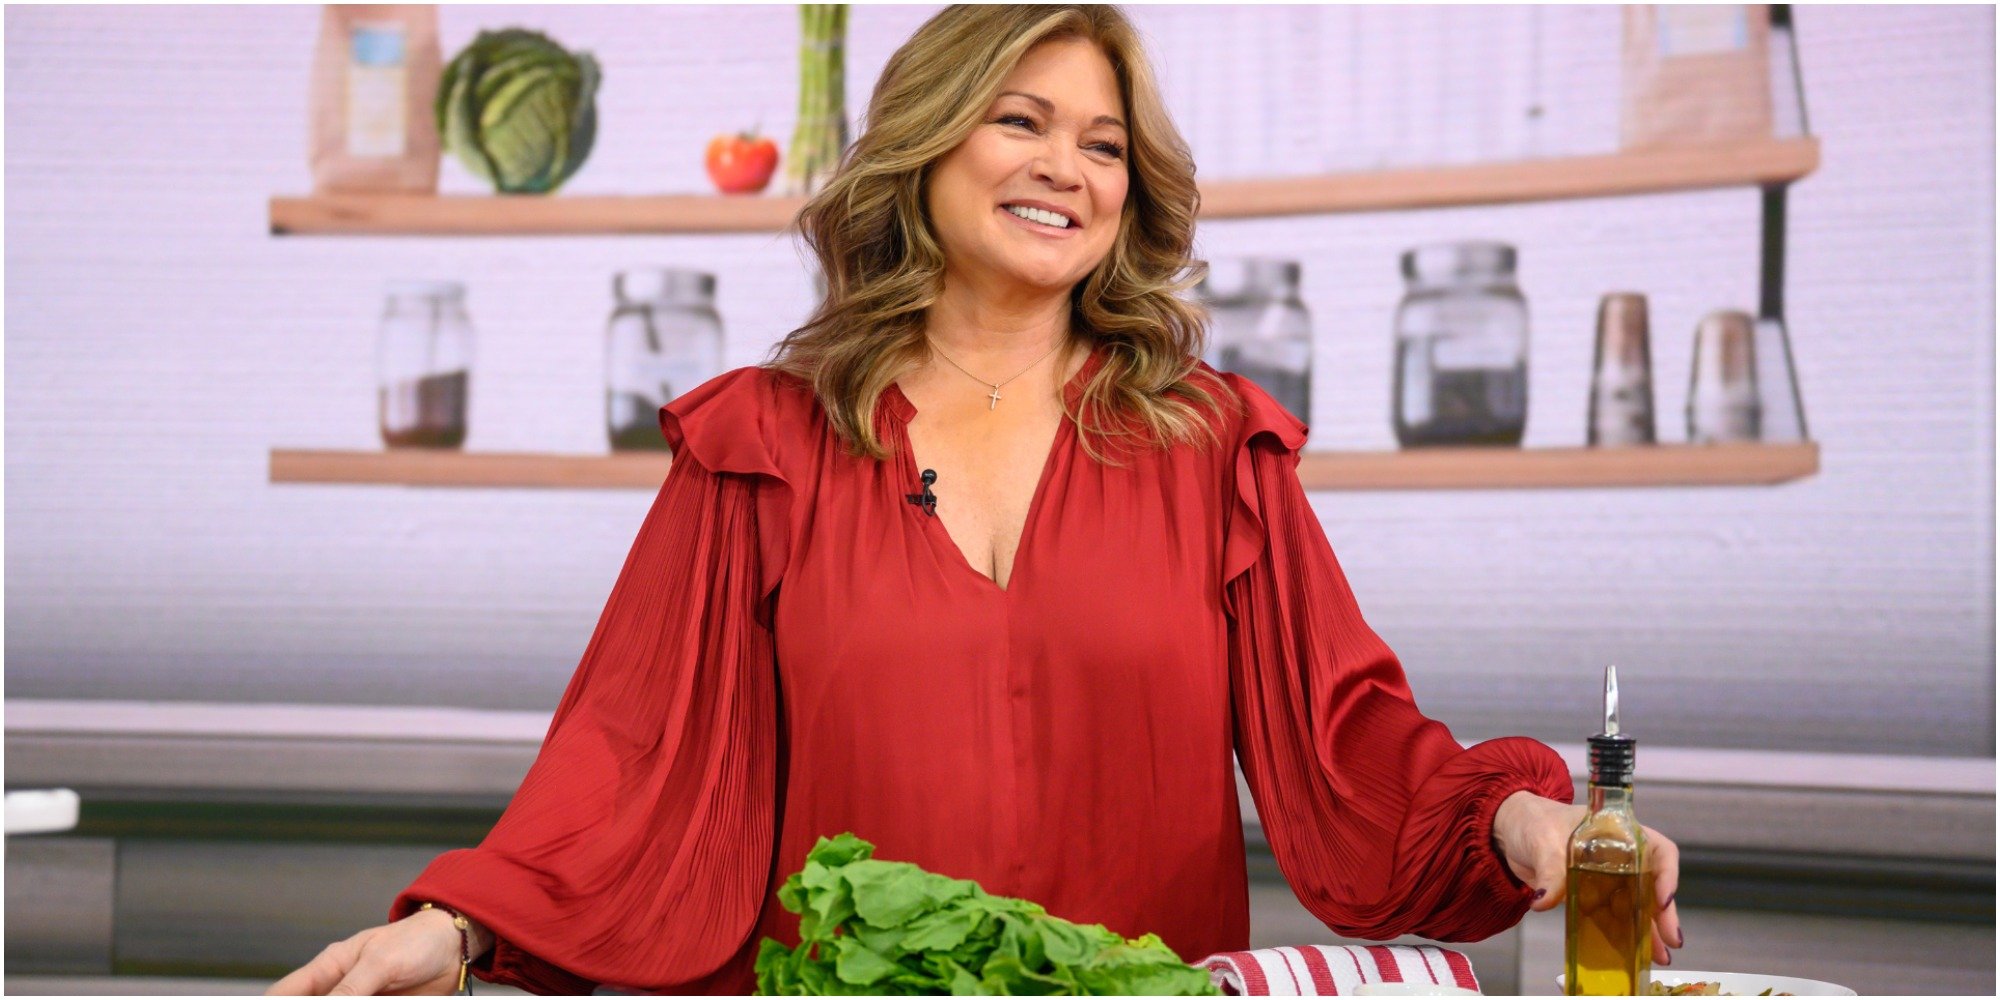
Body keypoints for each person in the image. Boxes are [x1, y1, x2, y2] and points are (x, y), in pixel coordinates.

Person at [270, 6, 1685, 996]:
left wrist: (1526, 823)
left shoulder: (1209, 448)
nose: (1067, 166)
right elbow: (626, 763)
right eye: (1022, 121)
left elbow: (1350, 739)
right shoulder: (760, 446)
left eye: (1105, 144)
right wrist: (458, 933)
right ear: (929, 145)